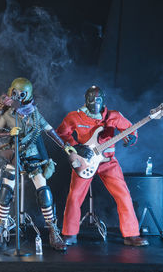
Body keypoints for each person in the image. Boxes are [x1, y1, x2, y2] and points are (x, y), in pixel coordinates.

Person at [56, 85, 149, 246]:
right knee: (75, 196)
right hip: (85, 162)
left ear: (103, 100)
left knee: (123, 195)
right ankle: (69, 234)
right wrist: (74, 146)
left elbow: (131, 130)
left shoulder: (114, 116)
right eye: (91, 99)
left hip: (108, 162)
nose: (94, 102)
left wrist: (131, 139)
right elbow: (61, 133)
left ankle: (131, 234)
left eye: (98, 99)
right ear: (86, 100)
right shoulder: (75, 116)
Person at [0, 77, 68, 251]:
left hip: (33, 157)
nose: (17, 97)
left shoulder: (35, 114)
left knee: (44, 192)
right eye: (14, 93)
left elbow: (50, 131)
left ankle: (53, 230)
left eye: (20, 94)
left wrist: (65, 146)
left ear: (27, 95)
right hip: (15, 156)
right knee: (5, 192)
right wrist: (8, 132)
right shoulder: (8, 114)